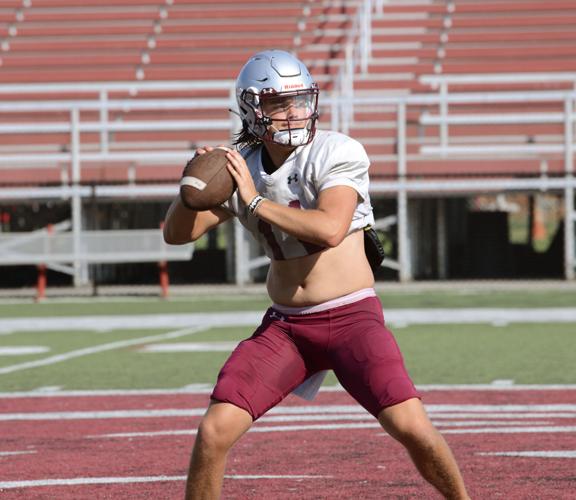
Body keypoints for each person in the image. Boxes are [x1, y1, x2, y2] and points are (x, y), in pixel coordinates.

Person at [164, 49, 469, 500]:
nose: (292, 113)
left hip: (351, 320)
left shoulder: (336, 150)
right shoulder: (241, 166)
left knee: (412, 427)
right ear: (251, 109)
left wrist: (253, 202)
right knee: (214, 432)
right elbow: (176, 234)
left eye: (299, 100)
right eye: (277, 104)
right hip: (286, 327)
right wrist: (191, 187)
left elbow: (329, 229)